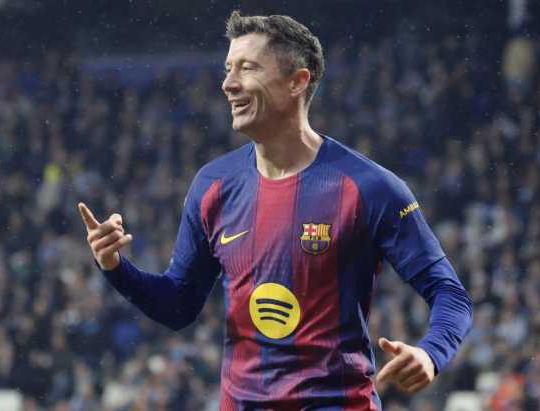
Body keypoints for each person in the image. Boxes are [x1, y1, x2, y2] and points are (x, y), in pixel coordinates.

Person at [77, 10, 473, 410]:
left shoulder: (369, 188)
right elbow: (178, 306)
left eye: (247, 68)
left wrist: (430, 353)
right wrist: (114, 265)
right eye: (228, 69)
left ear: (297, 81)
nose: (228, 83)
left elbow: (450, 293)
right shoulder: (212, 187)